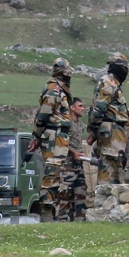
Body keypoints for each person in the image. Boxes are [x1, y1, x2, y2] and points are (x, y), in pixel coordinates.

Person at [29, 58, 72, 222]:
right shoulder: (53, 90)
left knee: (56, 174)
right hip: (53, 136)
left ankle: (52, 210)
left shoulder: (60, 89)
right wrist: (36, 136)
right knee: (51, 173)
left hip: (60, 136)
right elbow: (43, 115)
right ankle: (46, 211)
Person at [87, 53, 129, 185]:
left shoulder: (112, 83)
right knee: (109, 175)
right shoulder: (110, 84)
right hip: (111, 135)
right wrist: (93, 131)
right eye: (124, 67)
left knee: (115, 172)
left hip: (114, 134)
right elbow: (99, 110)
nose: (126, 71)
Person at [59, 97, 89, 221]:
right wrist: (73, 152)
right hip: (67, 164)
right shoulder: (66, 122)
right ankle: (62, 221)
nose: (83, 109)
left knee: (81, 193)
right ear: (72, 107)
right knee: (65, 194)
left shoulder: (80, 125)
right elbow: (61, 140)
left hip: (79, 163)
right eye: (80, 106)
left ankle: (80, 221)